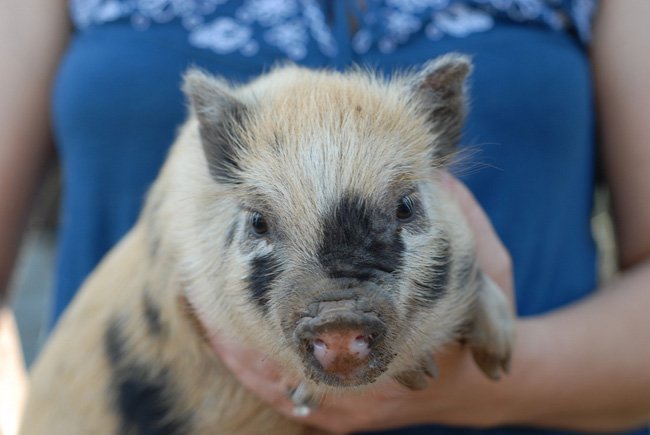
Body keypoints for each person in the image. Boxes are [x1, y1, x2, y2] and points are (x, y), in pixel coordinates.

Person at [1, 0, 650, 433]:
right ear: (217, 143)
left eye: (406, 205)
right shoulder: (196, 193)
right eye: (259, 221)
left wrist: (501, 380)